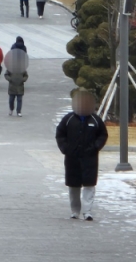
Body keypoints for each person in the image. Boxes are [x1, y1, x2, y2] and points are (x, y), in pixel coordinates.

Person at [55, 89, 108, 221]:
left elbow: (103, 135)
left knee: (89, 185)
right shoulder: (68, 119)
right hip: (72, 157)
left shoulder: (95, 120)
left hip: (90, 158)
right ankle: (75, 211)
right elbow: (60, 134)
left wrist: (96, 147)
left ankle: (87, 211)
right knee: (74, 186)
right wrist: (65, 148)